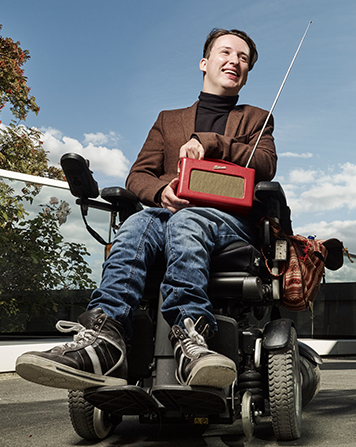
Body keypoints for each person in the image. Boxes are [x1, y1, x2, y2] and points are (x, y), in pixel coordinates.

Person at [15, 28, 277, 391]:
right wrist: (161, 191)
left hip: (226, 221)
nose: (234, 61)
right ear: (204, 63)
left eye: (243, 58)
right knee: (137, 223)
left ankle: (191, 338)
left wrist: (208, 141)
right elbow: (138, 175)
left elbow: (263, 164)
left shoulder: (257, 119)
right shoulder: (168, 120)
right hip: (167, 212)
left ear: (247, 72)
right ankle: (104, 339)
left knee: (188, 220)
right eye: (226, 53)